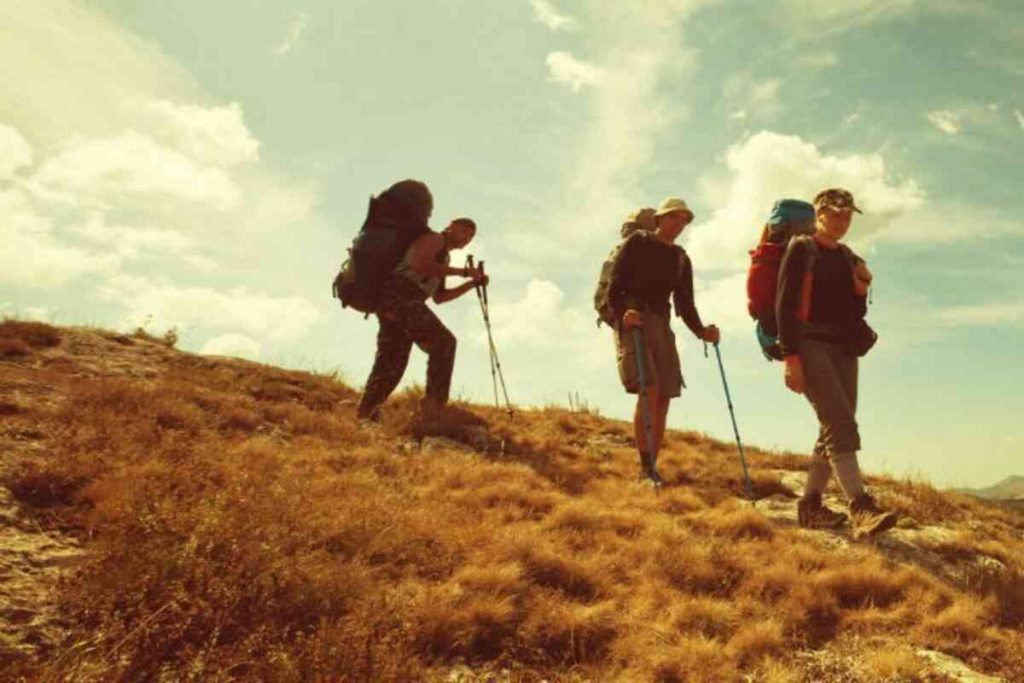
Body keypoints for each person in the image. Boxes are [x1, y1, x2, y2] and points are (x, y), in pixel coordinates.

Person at [776, 187, 896, 535]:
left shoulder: (847, 257)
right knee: (841, 424)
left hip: (843, 348)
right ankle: (860, 506)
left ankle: (810, 506)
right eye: (835, 214)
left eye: (847, 216)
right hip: (810, 344)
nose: (842, 221)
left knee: (832, 426)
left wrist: (860, 289)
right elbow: (785, 305)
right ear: (819, 213)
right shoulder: (801, 248)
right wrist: (790, 357)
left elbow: (853, 312)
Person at [608, 197, 720, 484]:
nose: (679, 224)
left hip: (662, 322)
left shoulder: (681, 258)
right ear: (659, 218)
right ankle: (645, 469)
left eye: (684, 220)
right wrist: (624, 313)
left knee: (665, 397)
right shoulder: (638, 243)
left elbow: (685, 303)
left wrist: (702, 332)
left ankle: (652, 468)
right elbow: (615, 285)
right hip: (636, 319)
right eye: (674, 217)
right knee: (650, 389)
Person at [356, 186, 486, 422]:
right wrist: (465, 272)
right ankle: (433, 408)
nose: (466, 237)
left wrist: (471, 284)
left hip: (396, 301)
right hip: (399, 295)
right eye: (463, 230)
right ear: (450, 226)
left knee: (392, 359)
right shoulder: (435, 239)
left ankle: (366, 413)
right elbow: (419, 264)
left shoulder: (444, 257)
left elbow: (440, 297)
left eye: (471, 235)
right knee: (443, 343)